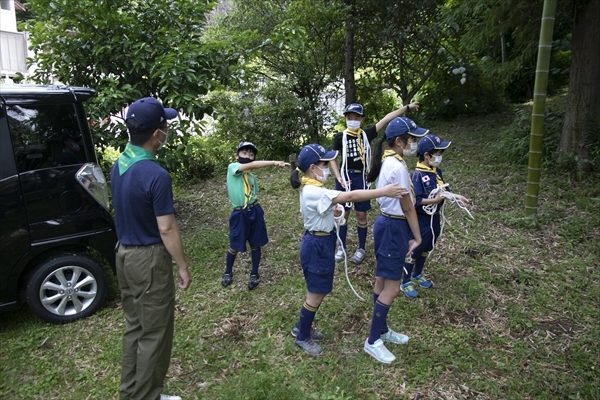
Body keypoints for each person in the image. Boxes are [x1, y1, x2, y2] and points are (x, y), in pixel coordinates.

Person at [289, 144, 408, 356]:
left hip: (321, 242)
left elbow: (328, 211)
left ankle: (302, 326)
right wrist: (383, 192)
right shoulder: (313, 191)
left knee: (317, 290)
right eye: (325, 164)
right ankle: (302, 336)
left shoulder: (315, 190)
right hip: (317, 245)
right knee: (316, 293)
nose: (327, 168)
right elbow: (351, 196)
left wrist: (334, 213)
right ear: (312, 168)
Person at [110, 97, 192, 400]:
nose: (166, 129)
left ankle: (131, 392)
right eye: (164, 125)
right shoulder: (156, 175)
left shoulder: (119, 164)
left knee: (135, 327)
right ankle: (146, 396)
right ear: (157, 134)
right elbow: (166, 228)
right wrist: (182, 265)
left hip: (123, 255)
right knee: (154, 333)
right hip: (147, 260)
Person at [362, 117, 426, 364]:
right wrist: (417, 236)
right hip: (394, 227)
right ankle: (372, 341)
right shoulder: (397, 167)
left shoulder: (389, 160)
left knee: (382, 280)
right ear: (399, 141)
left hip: (385, 224)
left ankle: (381, 330)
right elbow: (408, 208)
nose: (415, 144)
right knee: (393, 287)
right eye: (412, 139)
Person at [330, 102, 421, 265]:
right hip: (345, 179)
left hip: (361, 179)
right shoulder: (340, 137)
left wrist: (406, 108)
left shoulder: (366, 134)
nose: (352, 120)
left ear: (362, 119)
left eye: (356, 117)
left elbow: (386, 119)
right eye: (349, 117)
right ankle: (341, 247)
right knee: (343, 214)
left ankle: (361, 248)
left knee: (361, 215)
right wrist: (339, 177)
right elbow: (332, 158)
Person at [400, 134, 470, 298]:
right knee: (415, 249)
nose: (439, 157)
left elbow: (445, 190)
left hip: (434, 219)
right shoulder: (417, 176)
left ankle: (417, 274)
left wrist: (457, 197)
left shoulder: (436, 172)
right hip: (422, 220)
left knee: (427, 247)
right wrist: (435, 200)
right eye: (437, 153)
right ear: (427, 155)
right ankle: (405, 281)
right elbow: (415, 200)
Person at [221, 142, 289, 290]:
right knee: (235, 245)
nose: (248, 156)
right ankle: (228, 271)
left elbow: (253, 192)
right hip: (239, 213)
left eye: (251, 155)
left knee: (256, 244)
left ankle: (254, 273)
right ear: (236, 155)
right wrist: (274, 163)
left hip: (255, 210)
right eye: (244, 153)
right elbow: (251, 166)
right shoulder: (232, 167)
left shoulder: (251, 177)